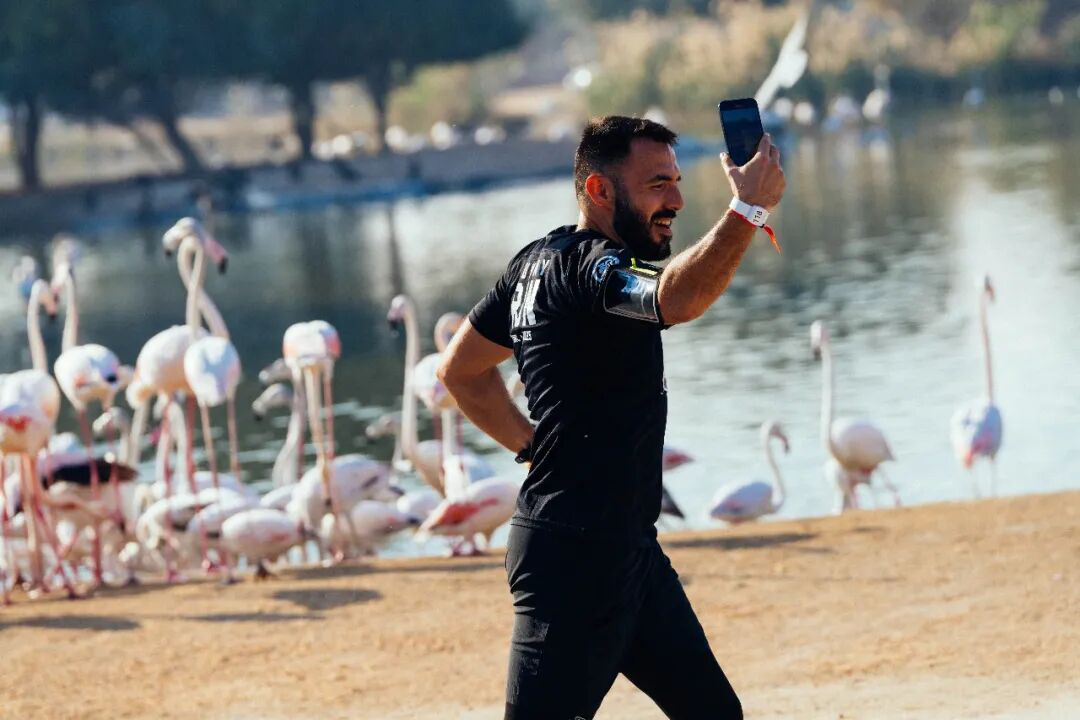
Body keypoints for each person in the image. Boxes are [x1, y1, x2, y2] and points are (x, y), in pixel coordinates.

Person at [437, 116, 786, 720]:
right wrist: (746, 210)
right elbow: (675, 298)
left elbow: (461, 370)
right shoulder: (594, 267)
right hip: (572, 560)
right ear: (599, 191)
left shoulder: (534, 262)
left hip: (629, 551)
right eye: (657, 185)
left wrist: (533, 447)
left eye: (676, 182)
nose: (675, 201)